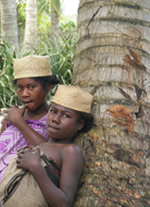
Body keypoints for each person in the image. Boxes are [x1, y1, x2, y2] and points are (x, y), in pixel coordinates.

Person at [0, 85, 93, 207]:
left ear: (80, 124)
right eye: (53, 111)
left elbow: (64, 203)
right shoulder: (40, 146)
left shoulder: (70, 151)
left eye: (66, 115)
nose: (55, 119)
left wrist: (36, 167)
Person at [0, 55, 59, 182]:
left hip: (15, 191)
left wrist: (19, 122)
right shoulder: (13, 116)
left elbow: (50, 152)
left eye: (31, 87)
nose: (25, 94)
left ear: (47, 87)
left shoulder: (53, 119)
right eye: (20, 88)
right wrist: (7, 124)